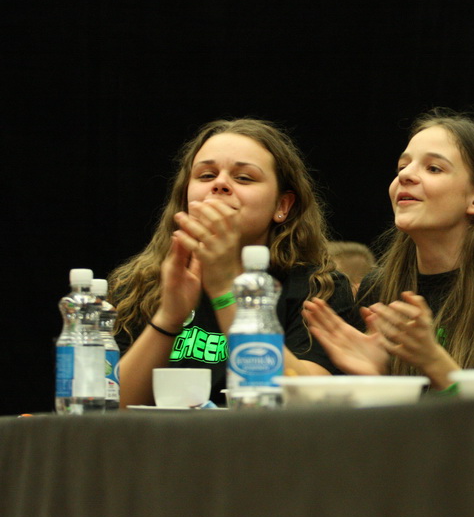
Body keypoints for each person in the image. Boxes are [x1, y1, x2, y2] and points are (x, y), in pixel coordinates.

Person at [302, 109, 474, 390]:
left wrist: (433, 362)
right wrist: (378, 380)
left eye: (433, 168)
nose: (406, 175)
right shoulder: (377, 288)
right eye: (402, 167)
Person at [110, 118, 354, 406]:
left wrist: (226, 288)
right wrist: (168, 317)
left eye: (244, 178)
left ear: (282, 205)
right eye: (206, 175)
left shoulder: (318, 287)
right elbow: (110, 407)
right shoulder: (139, 283)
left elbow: (308, 400)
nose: (220, 184)